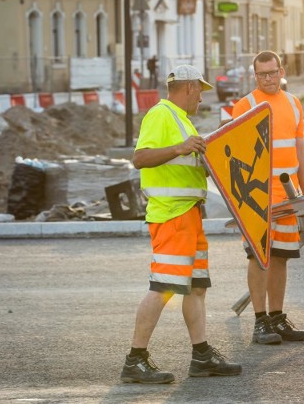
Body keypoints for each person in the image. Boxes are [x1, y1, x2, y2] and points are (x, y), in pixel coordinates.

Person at [120, 64, 242, 384]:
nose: (201, 98)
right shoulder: (161, 114)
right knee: (163, 289)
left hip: (190, 215)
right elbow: (140, 158)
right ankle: (135, 360)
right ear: (188, 88)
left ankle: (201, 356)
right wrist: (181, 147)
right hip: (172, 216)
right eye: (200, 91)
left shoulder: (182, 121)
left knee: (196, 288)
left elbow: (185, 166)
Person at [230, 51, 304, 345]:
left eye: (273, 72)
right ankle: (260, 321)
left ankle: (277, 317)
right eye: (262, 74)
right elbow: (234, 157)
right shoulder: (245, 106)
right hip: (255, 198)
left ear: (282, 71)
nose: (268, 79)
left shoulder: (293, 104)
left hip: (287, 197)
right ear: (255, 76)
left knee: (280, 258)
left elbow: (300, 152)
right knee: (258, 257)